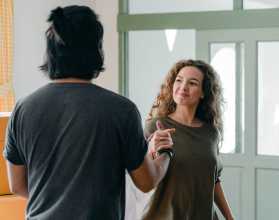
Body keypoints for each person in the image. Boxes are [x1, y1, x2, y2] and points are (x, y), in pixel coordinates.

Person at [3, 5, 175, 220]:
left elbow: (18, 185)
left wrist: (56, 198)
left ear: (52, 51)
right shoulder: (121, 110)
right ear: (96, 50)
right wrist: (165, 155)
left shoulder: (22, 109)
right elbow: (146, 181)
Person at [143, 59, 234, 220]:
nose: (183, 87)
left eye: (192, 83)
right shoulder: (156, 127)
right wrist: (151, 149)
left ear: (203, 92)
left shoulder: (211, 133)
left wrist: (230, 217)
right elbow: (142, 175)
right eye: (179, 80)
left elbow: (214, 180)